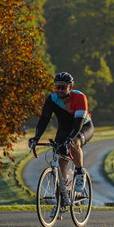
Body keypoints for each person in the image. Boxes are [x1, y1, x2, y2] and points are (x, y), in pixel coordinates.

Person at [29, 72, 94, 202]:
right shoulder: (52, 99)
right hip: (64, 129)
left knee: (74, 142)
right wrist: (36, 138)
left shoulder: (80, 97)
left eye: (63, 87)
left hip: (82, 126)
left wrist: (70, 138)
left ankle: (80, 173)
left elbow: (78, 125)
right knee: (61, 162)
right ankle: (63, 195)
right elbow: (44, 120)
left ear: (70, 87)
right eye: (57, 87)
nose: (59, 90)